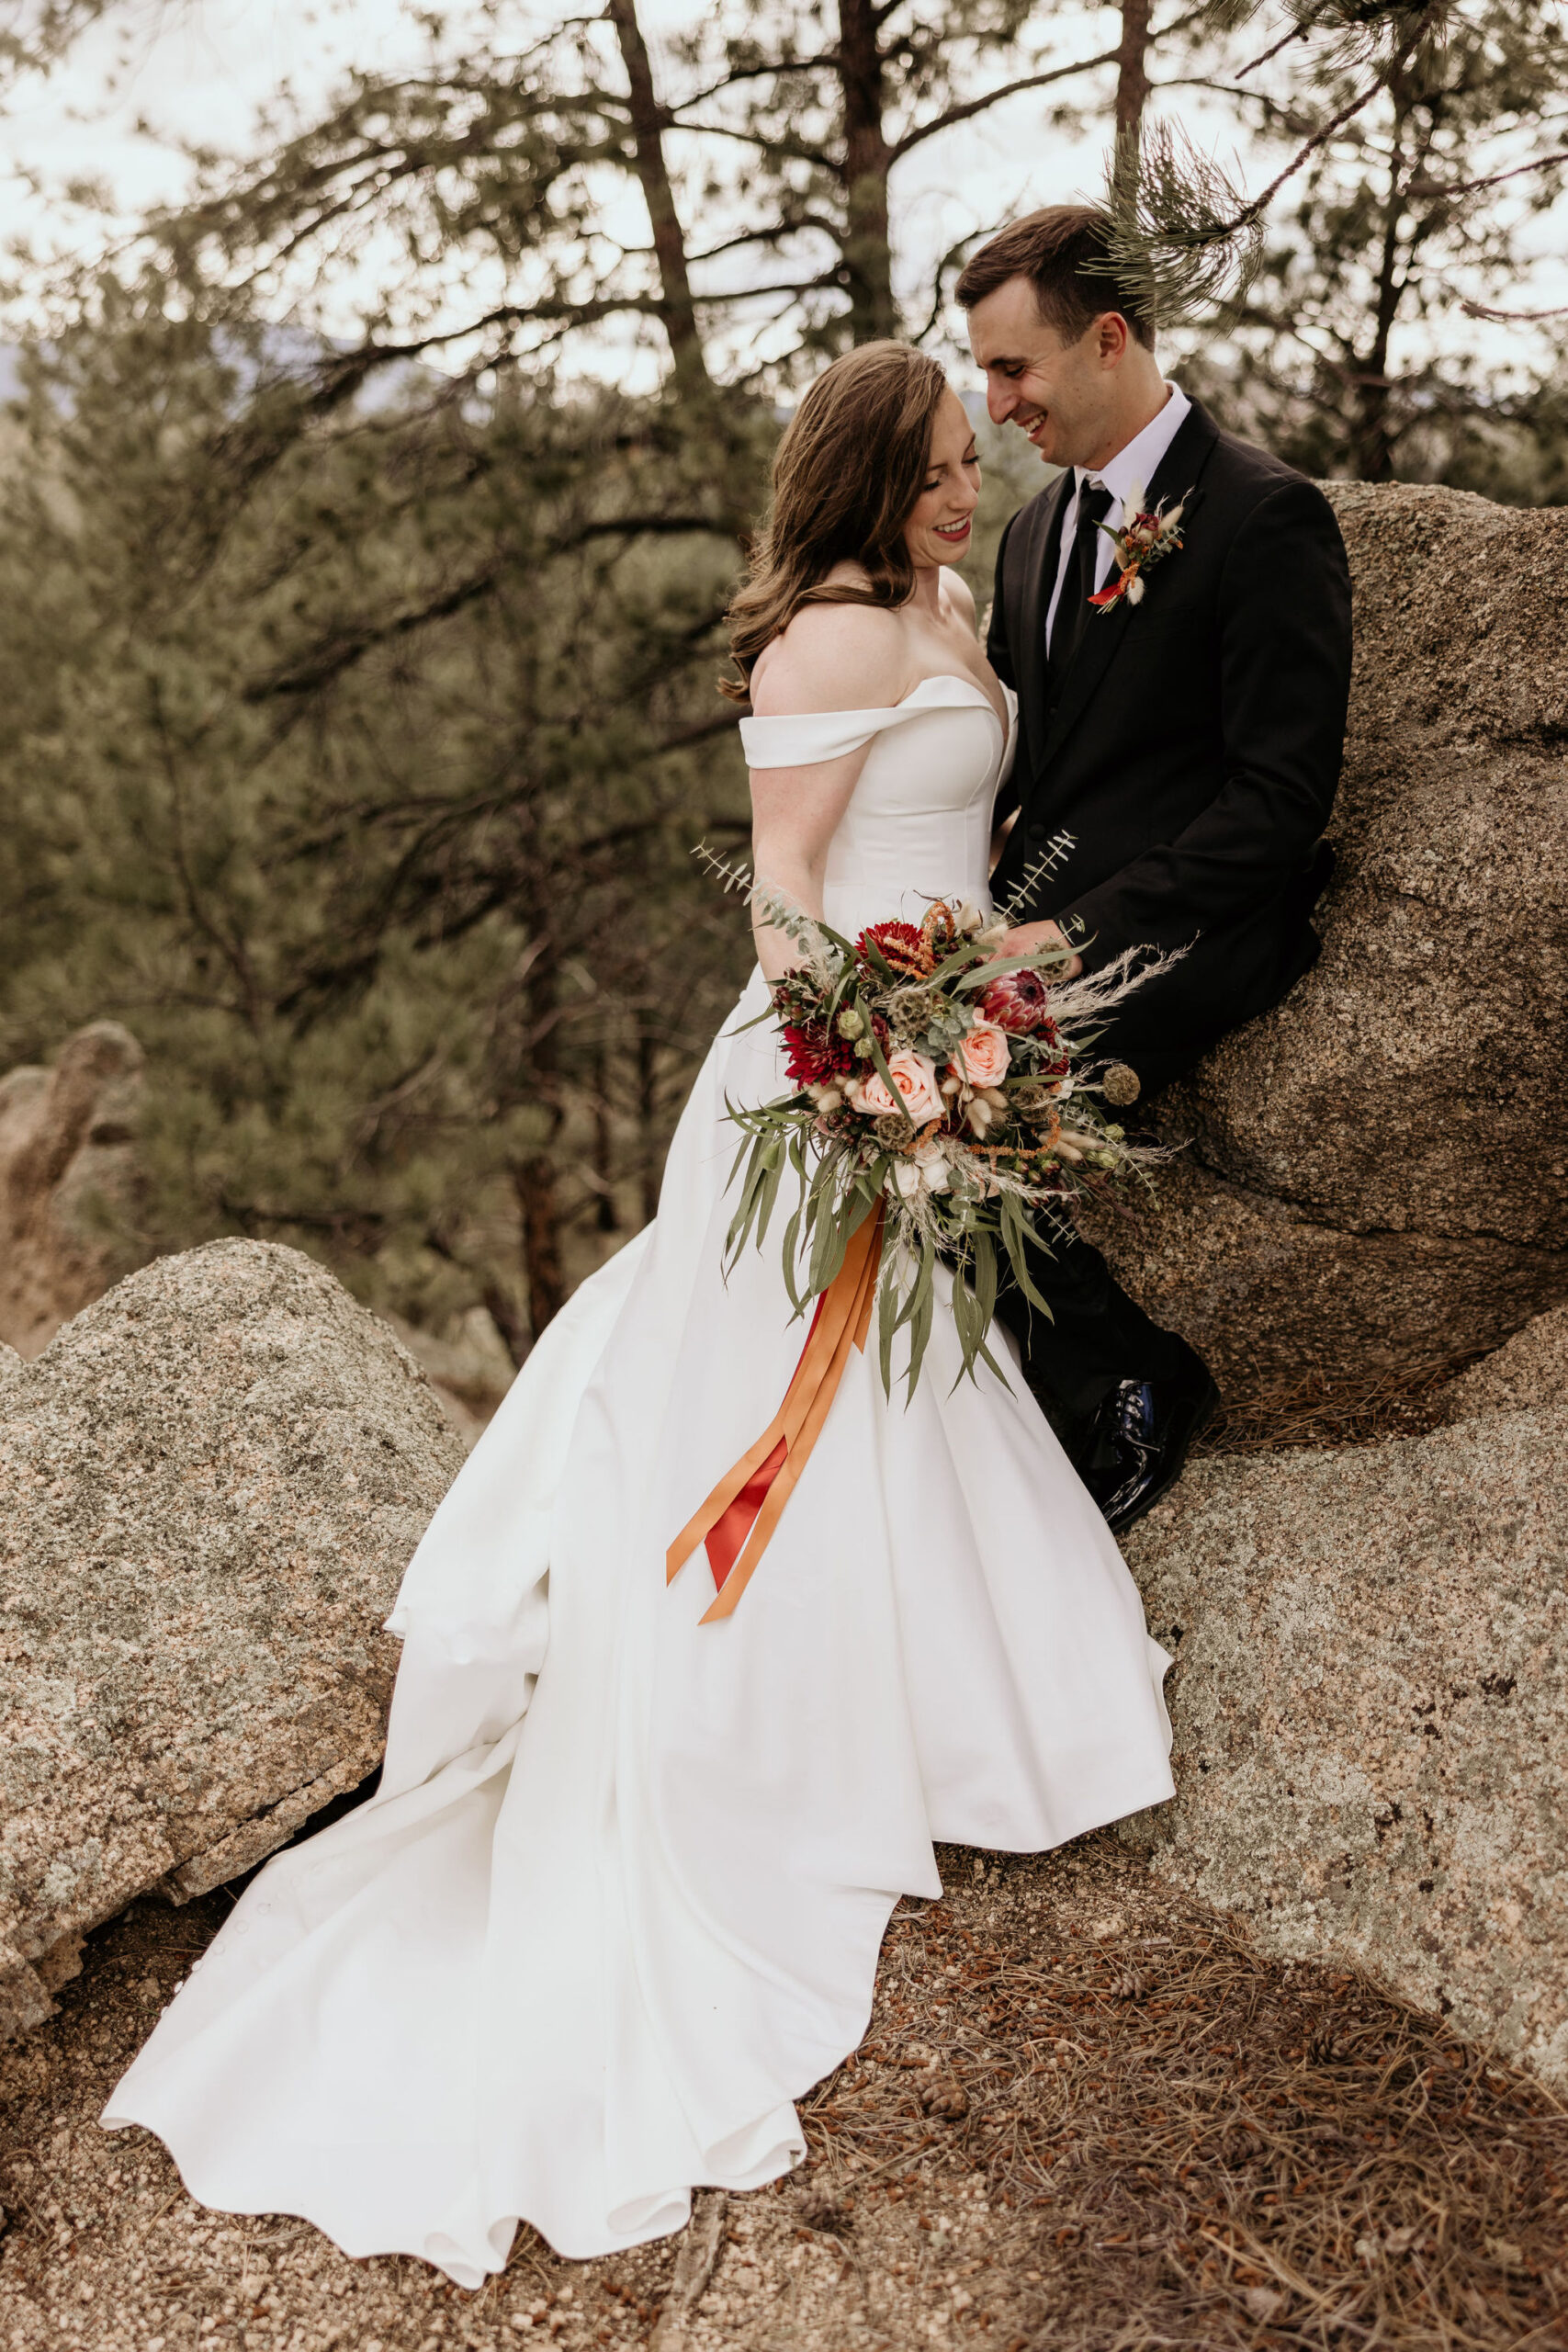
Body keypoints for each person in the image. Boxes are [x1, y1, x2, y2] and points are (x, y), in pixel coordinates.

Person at [103, 342, 1177, 2287]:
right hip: (828, 1067)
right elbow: (780, 887)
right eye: (940, 464)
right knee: (790, 1401)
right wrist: (868, 1050)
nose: (971, 483)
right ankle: (786, 1742)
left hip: (947, 1046)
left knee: (913, 1392)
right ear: (865, 472)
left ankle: (952, 1708)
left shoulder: (942, 605)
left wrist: (988, 999)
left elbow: (947, 842)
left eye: (971, 458)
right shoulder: (823, 650)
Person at [959, 206, 1353, 1532]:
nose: (997, 400)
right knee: (881, 1087)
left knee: (953, 1109)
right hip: (1041, 929)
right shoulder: (1029, 541)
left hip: (1198, 929)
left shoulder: (1263, 517)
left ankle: (1136, 1376)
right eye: (987, 372)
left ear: (1110, 337)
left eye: (1015, 369)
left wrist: (1076, 938)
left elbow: (1279, 800)